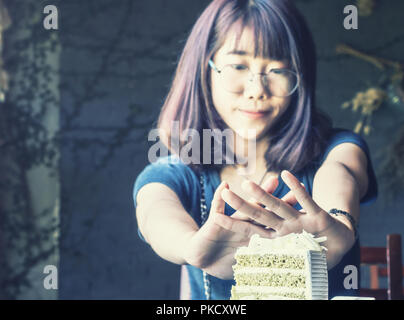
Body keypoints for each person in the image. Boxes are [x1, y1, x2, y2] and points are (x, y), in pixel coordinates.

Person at [133, 0, 377, 300]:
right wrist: (190, 247)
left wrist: (339, 225)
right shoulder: (173, 173)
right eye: (238, 65)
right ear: (204, 68)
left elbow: (342, 175)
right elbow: (155, 213)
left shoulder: (336, 149)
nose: (257, 88)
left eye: (277, 69)